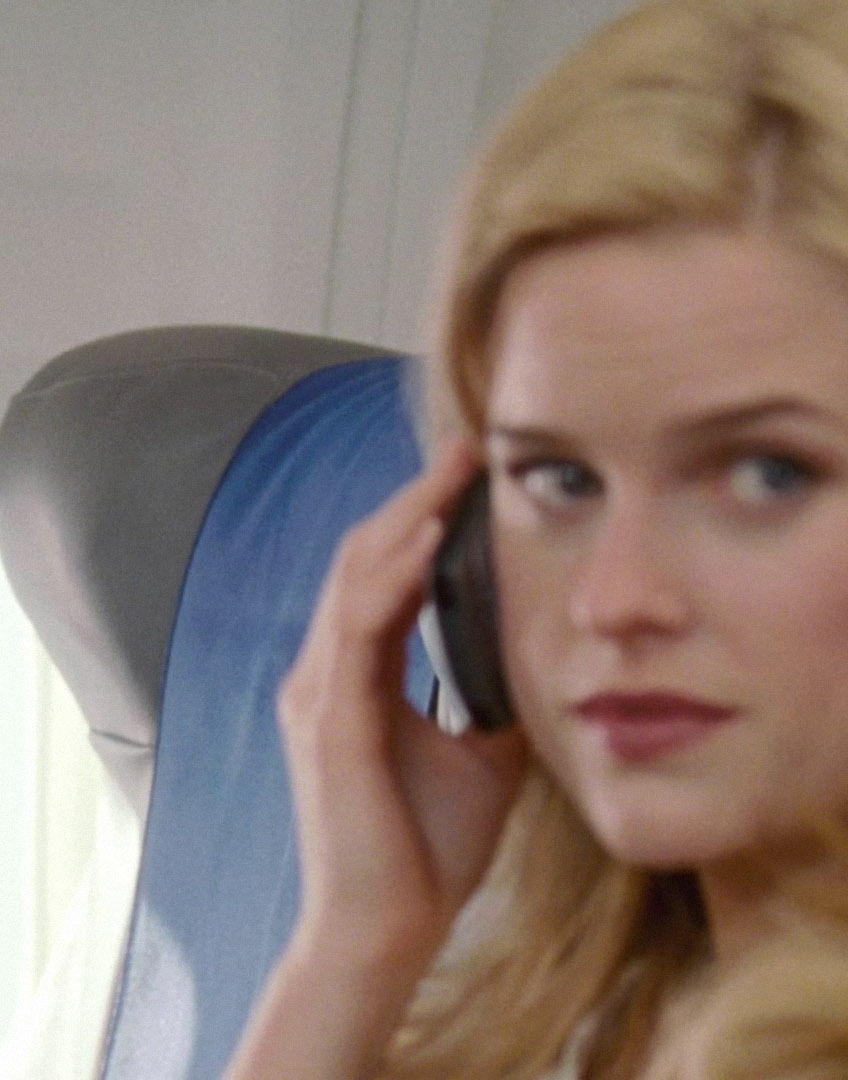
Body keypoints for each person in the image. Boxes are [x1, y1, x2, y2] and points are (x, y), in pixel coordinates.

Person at [224, 0, 848, 1076]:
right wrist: (355, 944)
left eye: (766, 475)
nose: (615, 598)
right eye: (559, 479)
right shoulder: (598, 1019)